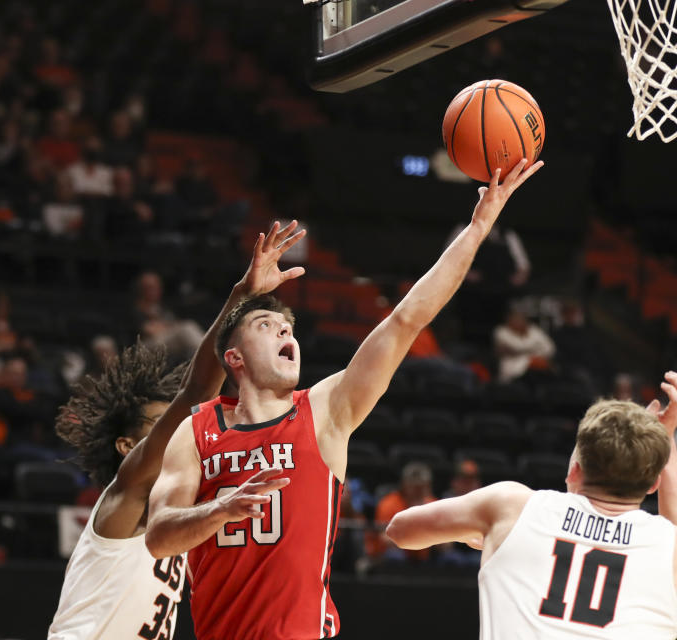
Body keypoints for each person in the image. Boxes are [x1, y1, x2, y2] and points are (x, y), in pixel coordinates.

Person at [145, 159, 544, 640]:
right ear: (234, 358)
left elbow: (406, 319)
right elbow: (158, 536)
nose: (284, 332)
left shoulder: (324, 411)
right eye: (266, 326)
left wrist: (479, 227)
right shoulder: (198, 430)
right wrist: (218, 511)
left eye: (287, 327)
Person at [48, 221, 306, 639]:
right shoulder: (126, 496)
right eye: (158, 426)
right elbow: (195, 396)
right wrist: (244, 298)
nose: (183, 433)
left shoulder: (178, 517)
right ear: (128, 445)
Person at [386, 372, 677, 640]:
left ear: (574, 470)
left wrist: (481, 532)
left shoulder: (510, 506)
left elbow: (400, 530)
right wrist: (665, 438)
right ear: (654, 483)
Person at [369, 462, 437, 563]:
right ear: (404, 485)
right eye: (415, 487)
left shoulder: (435, 504)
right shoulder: (388, 503)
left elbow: (447, 544)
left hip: (426, 555)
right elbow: (385, 538)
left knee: (452, 558)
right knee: (394, 556)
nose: (419, 491)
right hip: (397, 553)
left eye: (423, 486)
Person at [492, 307, 555, 383]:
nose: (519, 322)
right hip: (512, 370)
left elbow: (549, 348)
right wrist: (536, 347)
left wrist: (532, 355)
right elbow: (516, 347)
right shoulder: (501, 331)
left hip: (537, 367)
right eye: (515, 319)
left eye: (521, 319)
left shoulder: (533, 330)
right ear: (509, 320)